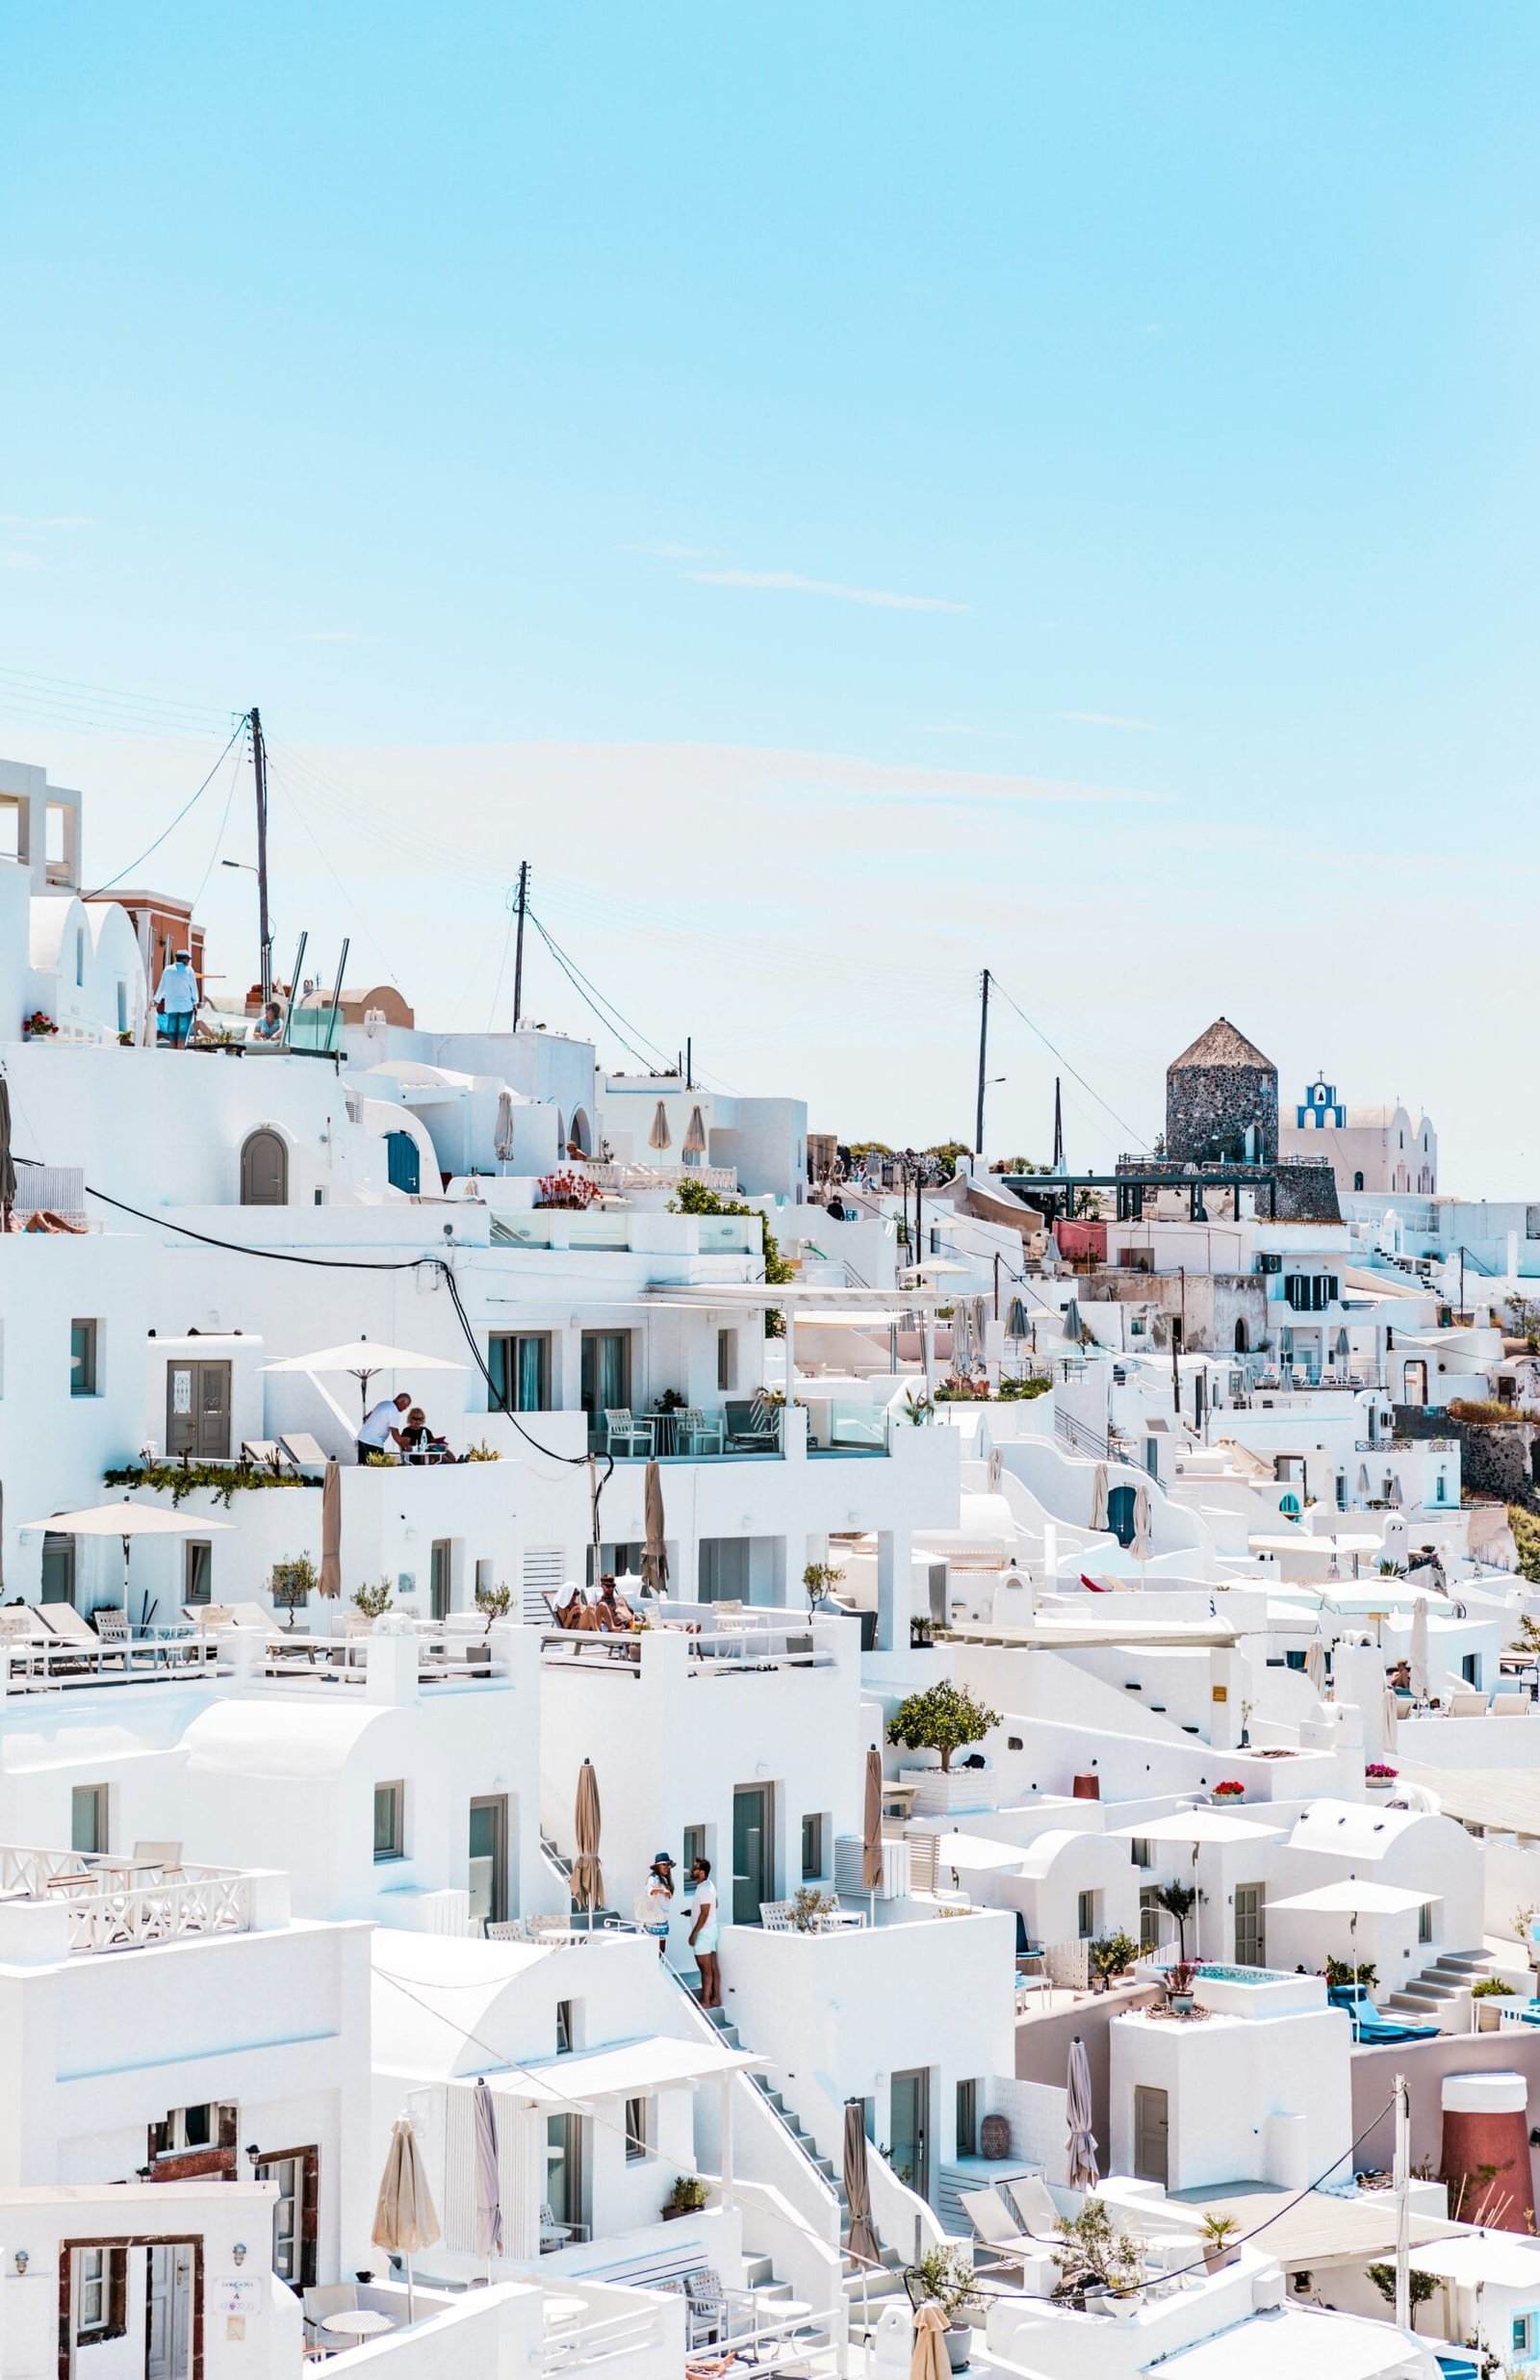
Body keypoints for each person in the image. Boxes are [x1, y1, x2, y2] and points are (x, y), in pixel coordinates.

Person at [687, 1854, 721, 2008]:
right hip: (711, 1930)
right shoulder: (708, 1886)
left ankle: (706, 2001)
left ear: (702, 1872)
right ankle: (716, 1999)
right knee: (712, 1966)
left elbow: (705, 1913)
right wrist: (692, 1912)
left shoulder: (705, 1889)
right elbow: (716, 1905)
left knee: (704, 1968)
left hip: (704, 1933)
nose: (691, 1870)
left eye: (695, 1868)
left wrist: (694, 1933)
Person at [156, 948, 201, 1048]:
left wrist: (156, 1000)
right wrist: (195, 1003)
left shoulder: (167, 970)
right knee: (182, 1034)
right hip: (186, 1007)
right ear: (184, 959)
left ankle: (173, 1055)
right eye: (188, 959)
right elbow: (194, 989)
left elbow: (162, 987)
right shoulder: (189, 970)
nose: (188, 962)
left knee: (172, 1035)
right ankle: (180, 1054)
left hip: (171, 1007)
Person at [633, 1851, 675, 1954]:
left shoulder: (665, 1879)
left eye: (668, 1865)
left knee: (660, 1951)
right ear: (658, 1866)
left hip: (661, 1920)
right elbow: (649, 1890)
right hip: (654, 1921)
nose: (666, 1867)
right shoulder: (654, 1878)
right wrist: (662, 1890)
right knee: (657, 1951)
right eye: (663, 1865)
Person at [357, 1390, 411, 1465]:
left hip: (362, 1438)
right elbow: (395, 1435)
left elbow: (368, 1415)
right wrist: (404, 1444)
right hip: (374, 1443)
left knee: (362, 1467)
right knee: (376, 1469)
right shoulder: (394, 1412)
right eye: (406, 1405)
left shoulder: (383, 1404)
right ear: (401, 1401)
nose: (405, 1408)